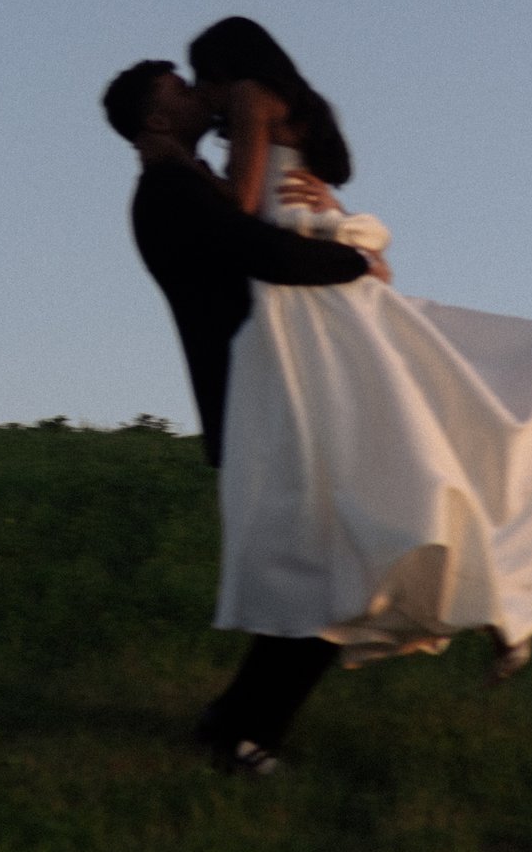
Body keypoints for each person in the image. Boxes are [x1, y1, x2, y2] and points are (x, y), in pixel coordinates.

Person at [185, 17, 532, 680]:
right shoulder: (290, 103)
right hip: (306, 264)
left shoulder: (247, 96)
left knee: (376, 449)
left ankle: (476, 594)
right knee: (422, 427)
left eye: (201, 77)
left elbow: (240, 204)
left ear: (222, 67)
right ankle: (502, 601)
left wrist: (193, 172)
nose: (201, 93)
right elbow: (312, 174)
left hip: (299, 292)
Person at [101, 58, 382, 775]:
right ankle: (240, 731)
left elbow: (264, 225)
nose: (200, 93)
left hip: (275, 396)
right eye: (180, 87)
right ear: (158, 118)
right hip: (257, 402)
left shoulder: (201, 184)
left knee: (328, 564)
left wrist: (325, 207)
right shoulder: (166, 191)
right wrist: (351, 260)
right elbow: (257, 251)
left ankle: (236, 724)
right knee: (320, 569)